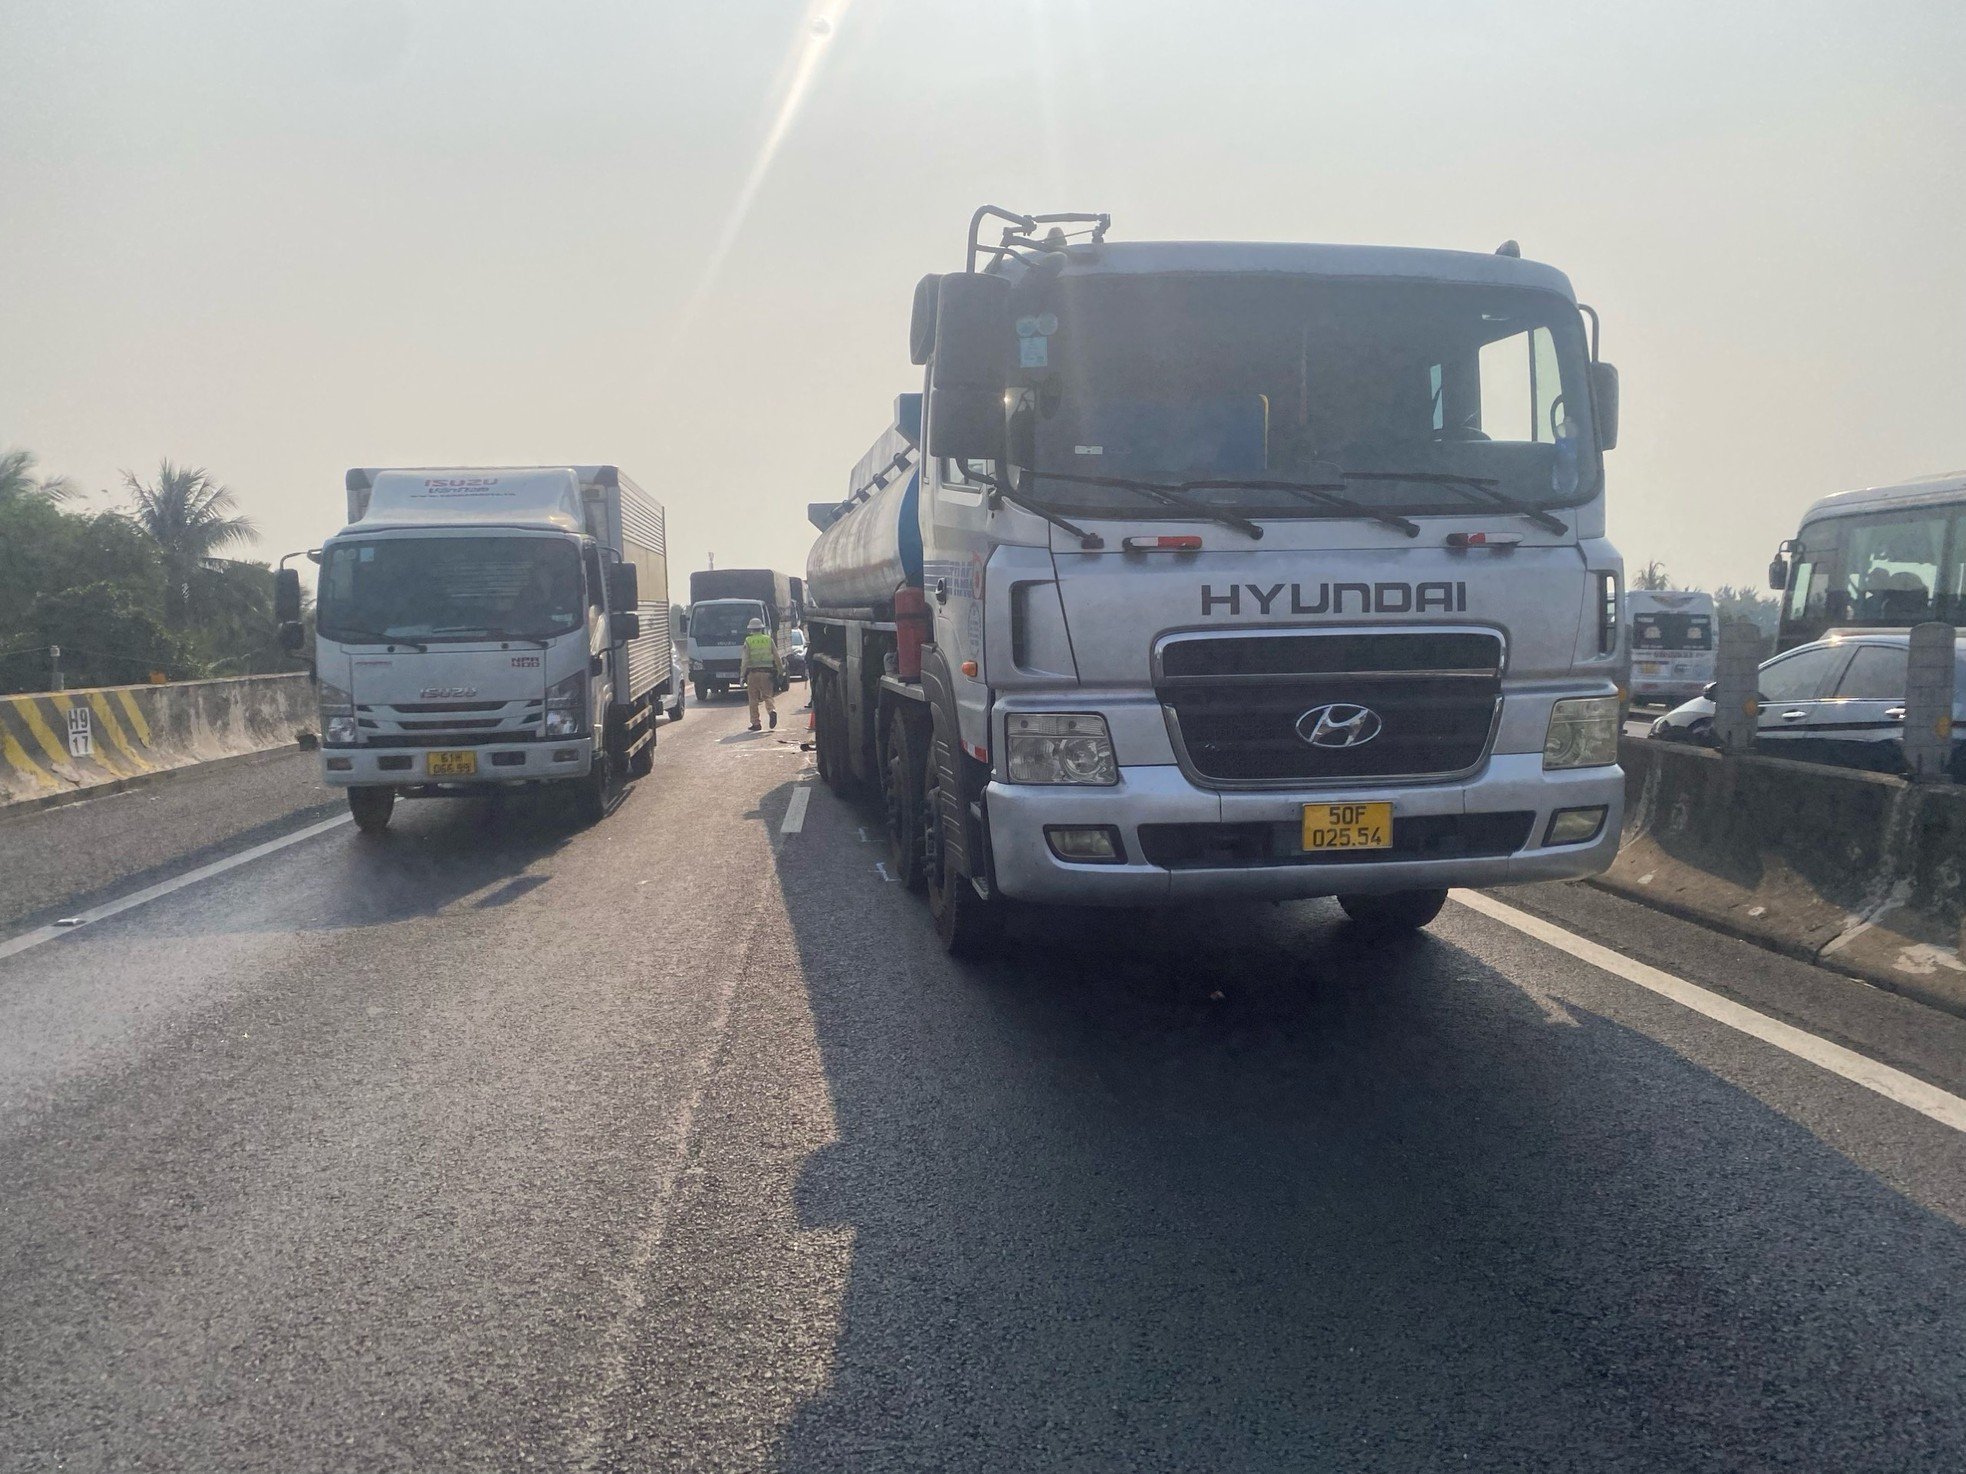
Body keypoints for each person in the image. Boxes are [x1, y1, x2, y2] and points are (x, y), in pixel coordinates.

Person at [740, 616, 782, 731]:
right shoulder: (768, 639)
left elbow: (745, 660)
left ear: (750, 629)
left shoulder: (748, 641)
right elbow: (777, 657)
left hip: (753, 674)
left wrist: (742, 675)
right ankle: (771, 710)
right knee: (767, 696)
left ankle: (756, 723)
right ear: (761, 628)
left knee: (753, 700)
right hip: (767, 673)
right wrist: (780, 671)